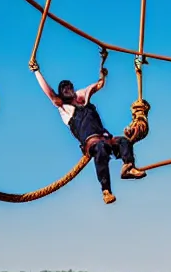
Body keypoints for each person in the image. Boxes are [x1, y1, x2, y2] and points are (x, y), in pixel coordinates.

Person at [32, 57, 146, 204]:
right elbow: (50, 94)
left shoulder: (83, 101)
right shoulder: (64, 108)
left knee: (124, 141)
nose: (67, 90)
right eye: (64, 89)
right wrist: (37, 71)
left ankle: (128, 167)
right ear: (61, 93)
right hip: (93, 143)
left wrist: (102, 73)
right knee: (101, 150)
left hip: (106, 137)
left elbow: (97, 86)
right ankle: (106, 191)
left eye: (69, 87)